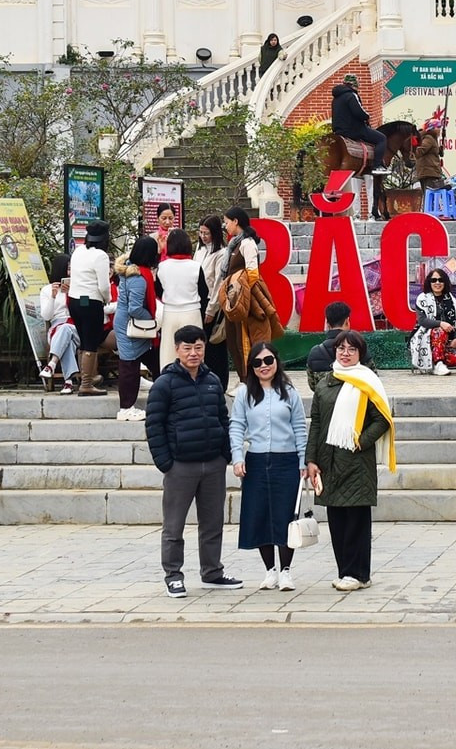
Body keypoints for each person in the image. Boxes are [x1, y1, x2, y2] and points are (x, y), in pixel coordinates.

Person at [146, 325, 241, 597]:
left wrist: (225, 453)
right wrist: (166, 462)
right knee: (174, 526)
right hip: (180, 466)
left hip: (212, 464)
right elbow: (154, 425)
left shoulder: (212, 380)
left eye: (198, 347)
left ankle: (212, 572)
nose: (193, 353)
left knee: (212, 524)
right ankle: (173, 575)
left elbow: (223, 418)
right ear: (177, 350)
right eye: (187, 348)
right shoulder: (165, 384)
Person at [305, 330, 395, 591]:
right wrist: (311, 459)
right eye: (341, 348)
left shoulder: (367, 382)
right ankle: (345, 571)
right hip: (328, 460)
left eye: (351, 349)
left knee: (356, 519)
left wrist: (361, 441)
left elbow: (383, 419)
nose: (345, 353)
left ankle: (358, 573)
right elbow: (317, 424)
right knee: (336, 519)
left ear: (360, 354)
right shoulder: (325, 383)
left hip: (356, 462)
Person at [232, 340, 309, 591]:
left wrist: (302, 461)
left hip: (286, 461)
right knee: (260, 516)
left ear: (276, 361)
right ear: (250, 366)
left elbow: (299, 427)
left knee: (285, 516)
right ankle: (270, 570)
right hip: (256, 461)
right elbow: (236, 426)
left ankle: (286, 571)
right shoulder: (244, 393)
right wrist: (237, 457)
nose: (263, 366)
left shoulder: (289, 391)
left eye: (268, 360)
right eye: (257, 362)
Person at [63, 221, 118, 396]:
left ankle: (85, 378)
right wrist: (107, 299)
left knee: (83, 340)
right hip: (91, 302)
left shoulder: (78, 251)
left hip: (74, 301)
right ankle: (86, 383)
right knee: (91, 342)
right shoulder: (100, 256)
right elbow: (103, 286)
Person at [112, 235, 162, 422]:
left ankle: (165, 392)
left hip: (126, 324)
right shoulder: (139, 278)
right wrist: (153, 320)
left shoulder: (129, 271)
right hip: (131, 327)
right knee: (129, 366)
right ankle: (126, 408)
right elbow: (135, 308)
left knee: (150, 359)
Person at [154, 228, 207, 369]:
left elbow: (158, 290)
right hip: (192, 312)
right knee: (194, 353)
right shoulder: (195, 266)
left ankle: (169, 384)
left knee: (169, 354)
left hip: (170, 313)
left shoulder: (162, 266)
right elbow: (204, 292)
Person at [196, 216, 232, 386]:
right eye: (201, 232)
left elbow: (219, 283)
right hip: (199, 299)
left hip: (213, 301)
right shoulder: (200, 249)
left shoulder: (222, 253)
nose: (203, 236)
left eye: (207, 233)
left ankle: (220, 381)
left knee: (215, 343)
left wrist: (211, 309)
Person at [410, 267, 456, 373]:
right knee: (439, 330)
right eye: (434, 280)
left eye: (440, 280)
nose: (437, 283)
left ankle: (434, 363)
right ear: (429, 282)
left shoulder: (451, 299)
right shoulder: (422, 298)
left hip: (447, 341)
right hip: (426, 337)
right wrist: (441, 323)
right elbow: (422, 320)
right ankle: (438, 363)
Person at [330, 74, 386, 172]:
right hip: (354, 130)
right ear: (354, 85)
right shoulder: (351, 95)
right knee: (381, 138)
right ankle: (377, 166)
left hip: (338, 131)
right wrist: (367, 116)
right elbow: (358, 112)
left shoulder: (336, 98)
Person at [37, 252, 73, 390]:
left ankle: (52, 364)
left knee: (67, 329)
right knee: (66, 335)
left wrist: (72, 294)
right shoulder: (47, 290)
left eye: (71, 269)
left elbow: (84, 307)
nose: (70, 272)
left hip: (76, 326)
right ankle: (68, 381)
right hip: (56, 328)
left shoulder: (77, 288)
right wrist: (53, 296)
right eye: (68, 268)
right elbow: (46, 316)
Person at [304, 301, 363, 378]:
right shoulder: (360, 348)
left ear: (327, 323)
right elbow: (372, 377)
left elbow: (312, 384)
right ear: (347, 321)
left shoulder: (315, 352)